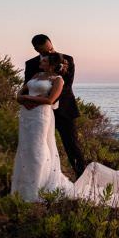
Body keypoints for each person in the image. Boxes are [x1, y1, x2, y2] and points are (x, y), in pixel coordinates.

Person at [12, 52, 119, 210]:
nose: (41, 61)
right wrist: (22, 98)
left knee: (38, 150)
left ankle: (37, 189)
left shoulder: (58, 80)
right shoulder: (36, 75)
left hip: (41, 116)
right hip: (27, 116)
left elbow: (50, 100)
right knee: (25, 149)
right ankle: (24, 189)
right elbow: (21, 92)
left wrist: (30, 99)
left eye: (44, 60)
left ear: (52, 65)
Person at [24, 34, 85, 176]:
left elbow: (67, 85)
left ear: (51, 43)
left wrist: (48, 97)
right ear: (37, 50)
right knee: (39, 146)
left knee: (72, 145)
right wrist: (32, 100)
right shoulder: (31, 64)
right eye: (45, 52)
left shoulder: (67, 59)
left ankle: (82, 176)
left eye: (51, 49)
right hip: (39, 113)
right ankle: (41, 177)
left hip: (64, 109)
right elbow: (27, 86)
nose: (50, 53)